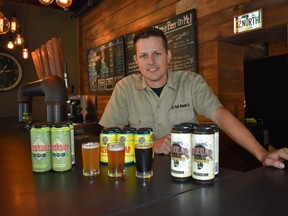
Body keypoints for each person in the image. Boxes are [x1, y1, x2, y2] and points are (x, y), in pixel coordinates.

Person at [99, 27, 288, 169]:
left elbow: (221, 116)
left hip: (189, 173)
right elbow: (107, 137)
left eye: (157, 53)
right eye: (144, 55)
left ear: (168, 55)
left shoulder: (190, 82)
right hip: (142, 173)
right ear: (136, 61)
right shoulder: (124, 88)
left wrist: (262, 154)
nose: (151, 61)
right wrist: (147, 144)